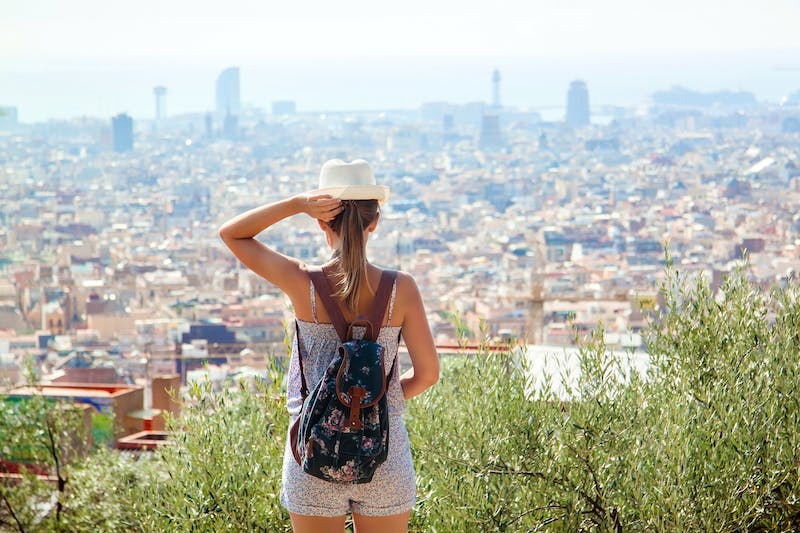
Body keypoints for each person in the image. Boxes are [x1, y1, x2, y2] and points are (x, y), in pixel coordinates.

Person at [218, 159, 439, 533]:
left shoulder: (301, 282)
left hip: (313, 454)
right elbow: (429, 374)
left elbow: (232, 234)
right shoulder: (403, 289)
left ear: (321, 222)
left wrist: (297, 203)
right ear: (375, 221)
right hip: (385, 452)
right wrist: (381, 402)